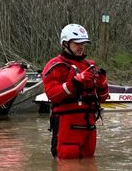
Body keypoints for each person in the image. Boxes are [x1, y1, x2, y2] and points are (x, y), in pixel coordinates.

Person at [42, 23, 109, 159]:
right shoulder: (56, 65)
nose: (81, 47)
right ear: (65, 44)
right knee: (67, 169)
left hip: (89, 127)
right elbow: (52, 94)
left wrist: (102, 84)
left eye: (83, 43)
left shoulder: (89, 65)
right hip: (67, 126)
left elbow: (102, 98)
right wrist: (75, 83)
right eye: (77, 43)